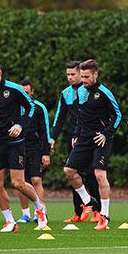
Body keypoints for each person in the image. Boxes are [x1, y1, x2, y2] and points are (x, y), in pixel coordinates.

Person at [0, 58, 48, 233]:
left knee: (18, 183)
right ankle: (10, 221)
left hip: (15, 143)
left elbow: (30, 108)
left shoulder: (14, 89)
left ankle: (39, 208)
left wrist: (20, 125)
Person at [63, 59, 122, 231]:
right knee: (69, 171)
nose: (83, 80)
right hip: (84, 138)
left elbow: (118, 115)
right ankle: (88, 200)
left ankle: (104, 215)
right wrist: (76, 134)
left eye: (87, 77)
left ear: (95, 75)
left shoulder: (104, 92)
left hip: (100, 138)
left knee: (99, 175)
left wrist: (106, 134)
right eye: (82, 76)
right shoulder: (81, 91)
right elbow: (82, 115)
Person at [50, 61, 101, 223]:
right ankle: (78, 212)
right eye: (68, 75)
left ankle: (97, 211)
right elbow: (59, 118)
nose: (70, 77)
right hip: (73, 140)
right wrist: (52, 138)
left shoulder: (89, 92)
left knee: (92, 174)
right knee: (72, 174)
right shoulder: (65, 93)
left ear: (81, 74)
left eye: (73, 74)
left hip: (90, 138)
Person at [16, 79, 51, 224]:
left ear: (32, 92)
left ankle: (40, 211)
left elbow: (45, 131)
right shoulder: (14, 107)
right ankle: (25, 214)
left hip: (34, 148)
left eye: (27, 92)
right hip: (17, 147)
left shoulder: (39, 107)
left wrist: (46, 152)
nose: (25, 95)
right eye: (22, 92)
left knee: (36, 179)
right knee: (20, 181)